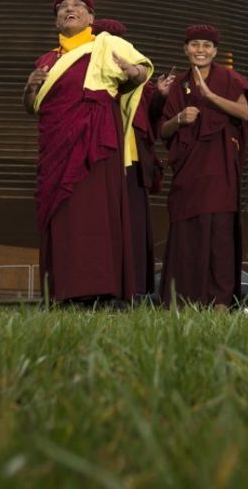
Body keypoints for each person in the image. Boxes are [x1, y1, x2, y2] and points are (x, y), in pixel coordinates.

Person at [24, 0, 152, 305]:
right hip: (56, 145)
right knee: (62, 214)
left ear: (91, 17)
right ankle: (63, 291)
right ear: (55, 21)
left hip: (96, 142)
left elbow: (138, 74)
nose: (70, 9)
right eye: (63, 6)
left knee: (98, 212)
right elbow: (32, 106)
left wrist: (133, 71)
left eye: (79, 6)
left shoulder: (105, 46)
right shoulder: (46, 60)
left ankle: (103, 290)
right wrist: (29, 88)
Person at [158, 24, 248, 307]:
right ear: (186, 49)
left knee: (221, 230)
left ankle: (220, 301)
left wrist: (210, 97)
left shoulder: (229, 78)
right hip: (190, 169)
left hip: (221, 166)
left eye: (206, 46)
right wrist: (179, 119)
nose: (200, 50)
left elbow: (245, 112)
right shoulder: (178, 85)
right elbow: (163, 131)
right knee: (187, 231)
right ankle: (182, 301)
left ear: (215, 51)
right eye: (195, 45)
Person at [91, 18, 173, 296]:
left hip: (133, 161)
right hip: (99, 156)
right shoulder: (87, 75)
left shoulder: (142, 82)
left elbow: (153, 118)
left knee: (134, 222)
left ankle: (135, 287)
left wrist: (160, 96)